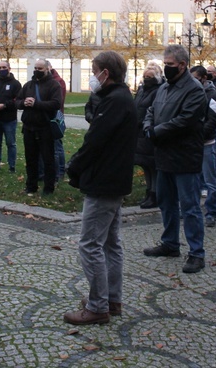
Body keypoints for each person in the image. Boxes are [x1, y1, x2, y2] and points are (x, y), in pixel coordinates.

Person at [63, 51, 138, 325]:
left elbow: (94, 140)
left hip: (105, 182)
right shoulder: (120, 98)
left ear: (106, 73)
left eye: (94, 71)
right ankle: (111, 299)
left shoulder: (115, 101)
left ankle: (98, 306)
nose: (92, 77)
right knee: (110, 243)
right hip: (113, 180)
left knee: (91, 244)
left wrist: (74, 167)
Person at [142, 44, 207, 274]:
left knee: (189, 207)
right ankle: (170, 244)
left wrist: (157, 131)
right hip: (164, 156)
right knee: (166, 203)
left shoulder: (195, 89)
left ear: (182, 65)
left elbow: (186, 119)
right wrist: (149, 126)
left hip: (185, 157)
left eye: (169, 65)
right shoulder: (165, 87)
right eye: (165, 64)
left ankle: (197, 253)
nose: (166, 68)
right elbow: (151, 110)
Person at [17, 59, 62, 195]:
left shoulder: (54, 85)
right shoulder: (28, 85)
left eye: (40, 69)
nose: (37, 71)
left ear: (47, 69)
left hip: (45, 127)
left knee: (48, 159)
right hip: (29, 127)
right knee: (30, 159)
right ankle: (31, 186)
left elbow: (55, 104)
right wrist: (24, 103)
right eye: (35, 68)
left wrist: (36, 104)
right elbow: (17, 102)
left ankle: (48, 188)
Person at [190, 66, 216, 227]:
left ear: (204, 77)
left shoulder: (214, 95)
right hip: (191, 144)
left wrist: (198, 135)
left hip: (206, 143)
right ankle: (193, 211)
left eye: (196, 78)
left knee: (210, 181)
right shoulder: (190, 93)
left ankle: (211, 213)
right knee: (192, 181)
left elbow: (213, 121)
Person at [134, 64, 164, 209]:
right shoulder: (141, 90)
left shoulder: (158, 91)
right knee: (145, 164)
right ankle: (148, 192)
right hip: (138, 133)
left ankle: (155, 193)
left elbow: (153, 111)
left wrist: (144, 123)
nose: (146, 79)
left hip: (148, 131)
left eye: (150, 77)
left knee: (152, 165)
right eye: (145, 77)